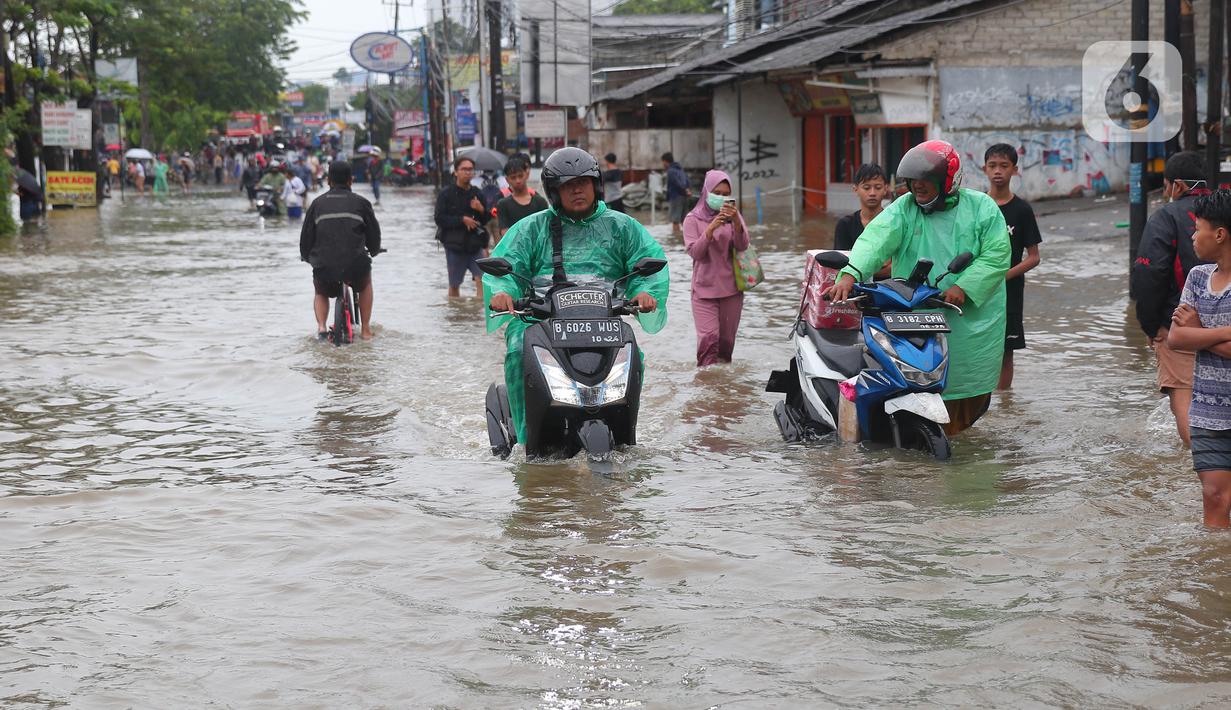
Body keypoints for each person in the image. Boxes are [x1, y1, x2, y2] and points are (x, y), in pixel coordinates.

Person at [484, 147, 669, 444]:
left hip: (604, 322)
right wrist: (504, 293)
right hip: (538, 320)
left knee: (636, 358)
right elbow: (505, 269)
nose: (577, 191)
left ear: (595, 185)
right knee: (518, 353)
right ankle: (526, 440)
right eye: (568, 186)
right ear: (554, 192)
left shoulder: (622, 226)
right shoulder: (532, 228)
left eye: (582, 183)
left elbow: (646, 265)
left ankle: (626, 436)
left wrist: (644, 293)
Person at [824, 140, 1010, 436]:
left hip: (967, 316)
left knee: (968, 392)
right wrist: (850, 273)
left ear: (948, 181)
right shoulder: (905, 208)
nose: (918, 187)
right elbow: (875, 240)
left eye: (927, 180)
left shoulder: (982, 208)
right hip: (915, 313)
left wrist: (963, 286)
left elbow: (997, 256)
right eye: (913, 181)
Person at [1132, 151, 1213, 448]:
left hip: (1178, 325)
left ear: (1175, 186)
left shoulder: (1166, 217)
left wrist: (1151, 326)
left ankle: (1203, 469)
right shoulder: (1223, 213)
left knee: (1184, 399)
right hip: (1224, 324)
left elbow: (1149, 273)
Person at [1165, 189, 1231, 527]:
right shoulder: (1198, 277)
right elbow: (1176, 338)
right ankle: (1215, 571)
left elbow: (1190, 336)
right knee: (1214, 497)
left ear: (1219, 234)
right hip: (1207, 410)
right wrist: (1221, 332)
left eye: (1197, 227)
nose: (1193, 235)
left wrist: (1199, 332)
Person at [299, 160, 381, 340]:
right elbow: (374, 235)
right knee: (365, 284)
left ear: (328, 181)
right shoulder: (362, 203)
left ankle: (321, 328)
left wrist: (306, 256)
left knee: (321, 291)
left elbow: (306, 238)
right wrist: (374, 250)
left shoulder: (317, 205)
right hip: (355, 265)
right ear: (351, 181)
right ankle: (366, 330)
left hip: (324, 265)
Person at [983, 143, 1042, 390]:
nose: (998, 171)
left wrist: (1003, 276)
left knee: (1006, 352)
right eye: (993, 166)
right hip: (978, 291)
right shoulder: (977, 207)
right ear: (984, 169)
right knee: (979, 348)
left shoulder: (1022, 210)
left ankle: (1004, 404)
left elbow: (1033, 256)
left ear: (1014, 170)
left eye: (1004, 166)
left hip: (1010, 292)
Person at [682, 169, 748, 367]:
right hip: (703, 291)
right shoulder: (692, 219)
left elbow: (743, 246)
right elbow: (695, 253)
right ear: (706, 191)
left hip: (731, 289)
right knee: (708, 340)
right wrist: (710, 229)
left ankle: (722, 389)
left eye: (725, 194)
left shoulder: (734, 216)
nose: (721, 197)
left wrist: (736, 222)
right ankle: (706, 387)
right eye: (716, 193)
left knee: (726, 344)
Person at [434, 156, 491, 298]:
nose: (467, 172)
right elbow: (439, 218)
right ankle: (455, 313)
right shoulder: (446, 194)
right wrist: (462, 220)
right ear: (456, 172)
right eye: (464, 169)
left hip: (475, 244)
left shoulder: (477, 193)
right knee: (454, 284)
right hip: (454, 245)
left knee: (481, 279)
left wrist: (481, 209)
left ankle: (479, 312)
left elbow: (485, 220)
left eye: (470, 169)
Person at [834, 163, 889, 250]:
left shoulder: (894, 223)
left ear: (885, 189)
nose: (872, 193)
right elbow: (840, 259)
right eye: (866, 188)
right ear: (856, 189)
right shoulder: (845, 225)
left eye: (878, 188)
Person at [495, 154, 549, 238]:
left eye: (520, 176)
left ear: (526, 174)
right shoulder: (503, 204)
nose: (518, 181)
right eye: (513, 177)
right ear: (507, 180)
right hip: (514, 249)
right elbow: (505, 233)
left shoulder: (540, 202)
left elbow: (545, 230)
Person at [662, 151, 691, 235]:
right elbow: (687, 180)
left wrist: (683, 189)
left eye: (663, 162)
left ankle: (676, 238)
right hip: (684, 196)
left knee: (675, 220)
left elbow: (676, 182)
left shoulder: (670, 171)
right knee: (684, 220)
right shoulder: (680, 169)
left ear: (665, 161)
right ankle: (686, 237)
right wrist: (687, 190)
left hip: (676, 197)